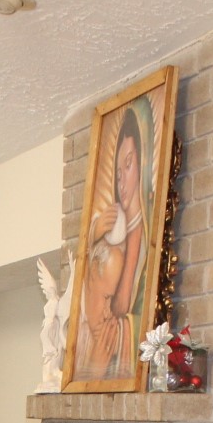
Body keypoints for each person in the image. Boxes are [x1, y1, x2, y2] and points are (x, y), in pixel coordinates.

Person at [75, 107, 151, 381]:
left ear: (145, 164)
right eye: (117, 172)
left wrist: (119, 334)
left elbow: (138, 317)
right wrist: (93, 233)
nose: (122, 181)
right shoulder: (111, 233)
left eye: (128, 165)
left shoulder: (150, 237)